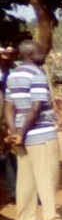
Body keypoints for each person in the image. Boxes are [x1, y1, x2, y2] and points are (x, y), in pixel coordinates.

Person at [3, 40, 62, 220]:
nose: (44, 54)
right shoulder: (37, 75)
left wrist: (14, 132)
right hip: (40, 134)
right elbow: (36, 108)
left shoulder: (13, 75)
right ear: (32, 55)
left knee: (25, 180)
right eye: (41, 52)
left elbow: (9, 106)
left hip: (21, 135)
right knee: (47, 177)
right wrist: (23, 133)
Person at [0, 45, 18, 206]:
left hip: (10, 119)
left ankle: (14, 192)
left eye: (9, 53)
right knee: (7, 156)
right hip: (4, 119)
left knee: (12, 155)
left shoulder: (13, 71)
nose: (6, 55)